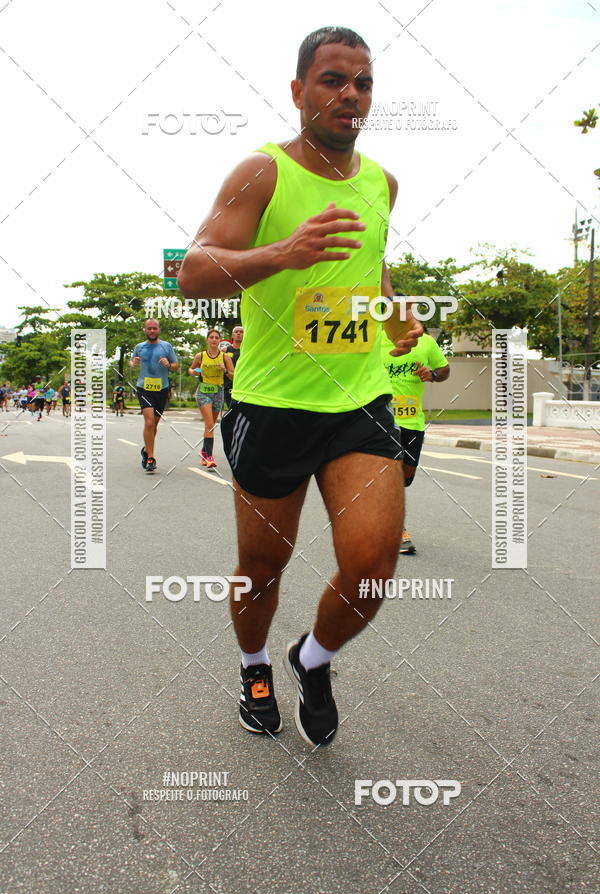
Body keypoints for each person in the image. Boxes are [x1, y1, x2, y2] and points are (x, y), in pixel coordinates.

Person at [178, 26, 422, 747]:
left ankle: (311, 658)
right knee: (263, 566)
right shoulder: (263, 172)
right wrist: (281, 253)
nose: (351, 94)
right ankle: (253, 665)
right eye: (333, 80)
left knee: (372, 567)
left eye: (363, 82)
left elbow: (368, 265)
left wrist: (393, 312)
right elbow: (193, 271)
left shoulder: (383, 184)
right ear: (298, 91)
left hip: (359, 401)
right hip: (272, 404)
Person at [381, 329, 450, 553]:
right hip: (381, 419)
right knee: (389, 474)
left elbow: (445, 369)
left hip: (412, 421)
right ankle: (396, 529)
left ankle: (376, 511)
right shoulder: (374, 339)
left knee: (406, 476)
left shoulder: (426, 342)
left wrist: (433, 375)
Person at [130, 319, 178, 473]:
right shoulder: (139, 347)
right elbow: (132, 363)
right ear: (145, 330)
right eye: (149, 328)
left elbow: (175, 366)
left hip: (162, 389)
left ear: (158, 330)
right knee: (149, 422)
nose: (152, 331)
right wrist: (134, 363)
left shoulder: (166, 346)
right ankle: (150, 457)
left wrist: (168, 364)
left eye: (154, 328)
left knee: (154, 425)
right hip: (144, 388)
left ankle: (146, 449)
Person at [188, 329, 234, 468]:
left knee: (211, 425)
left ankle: (203, 451)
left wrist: (225, 370)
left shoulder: (225, 357)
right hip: (203, 392)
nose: (214, 339)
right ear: (207, 340)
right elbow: (191, 369)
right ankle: (209, 457)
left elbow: (234, 376)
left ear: (219, 340)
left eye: (216, 337)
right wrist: (195, 371)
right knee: (209, 425)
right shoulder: (200, 356)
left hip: (218, 391)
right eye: (211, 337)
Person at [222, 326, 244, 409]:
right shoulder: (225, 350)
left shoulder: (247, 350)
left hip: (242, 385)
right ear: (232, 335)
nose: (238, 333)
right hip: (228, 385)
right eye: (236, 331)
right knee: (231, 409)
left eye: (241, 332)